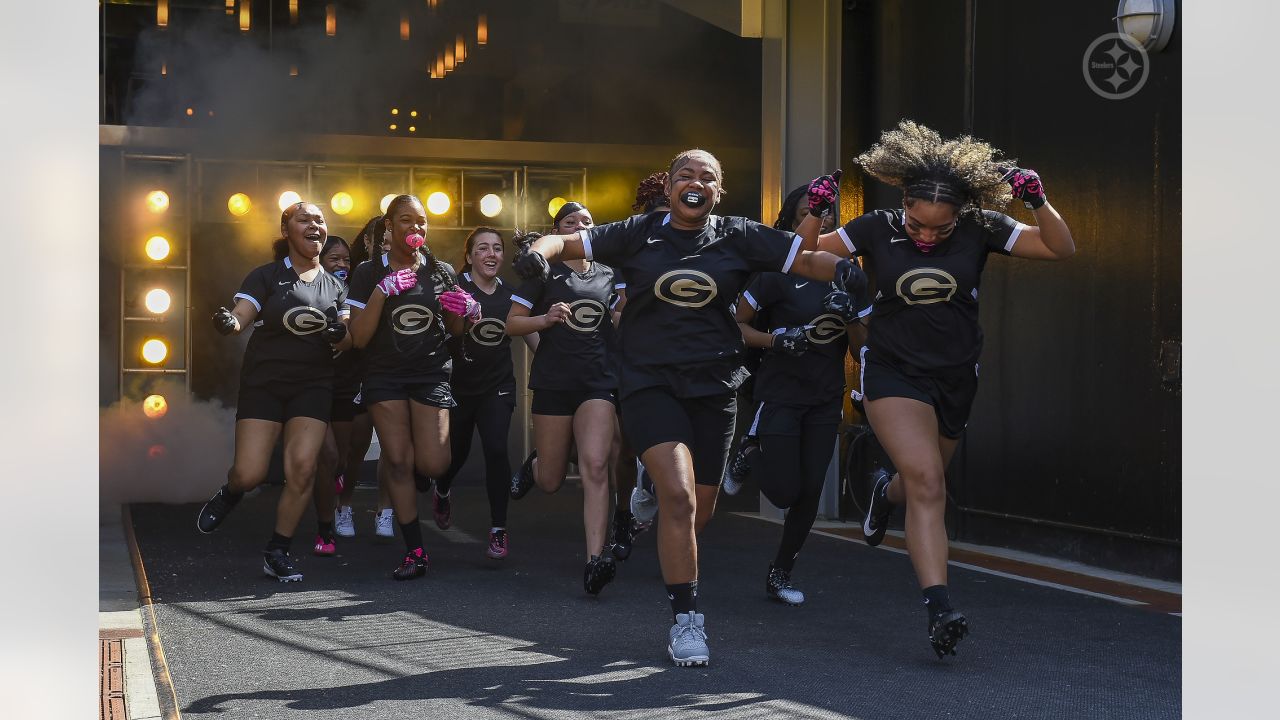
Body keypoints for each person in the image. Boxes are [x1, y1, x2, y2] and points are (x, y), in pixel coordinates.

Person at [512, 149, 865, 667]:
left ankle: (651, 498)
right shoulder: (639, 232)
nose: (695, 183)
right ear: (671, 186)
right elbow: (563, 240)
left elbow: (804, 256)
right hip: (649, 383)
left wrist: (847, 274)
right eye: (685, 175)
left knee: (697, 512)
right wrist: (538, 254)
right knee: (679, 499)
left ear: (718, 192)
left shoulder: (738, 234)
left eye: (707, 178)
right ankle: (686, 620)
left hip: (715, 386)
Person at [797, 120, 1075, 658]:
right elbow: (803, 259)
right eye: (916, 226)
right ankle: (940, 608)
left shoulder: (983, 226)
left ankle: (883, 490)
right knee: (928, 482)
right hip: (892, 370)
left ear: (959, 218)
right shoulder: (876, 227)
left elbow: (1059, 248)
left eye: (939, 231)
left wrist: (1038, 202)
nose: (925, 237)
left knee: (921, 481)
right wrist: (815, 214)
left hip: (955, 374)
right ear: (903, 203)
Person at [724, 184, 870, 607]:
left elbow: (863, 351)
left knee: (809, 493)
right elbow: (736, 326)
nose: (821, 218)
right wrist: (776, 341)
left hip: (825, 396)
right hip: (779, 391)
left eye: (827, 213)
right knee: (785, 492)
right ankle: (749, 452)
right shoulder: (775, 273)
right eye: (810, 211)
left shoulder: (850, 272)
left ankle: (780, 573)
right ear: (792, 220)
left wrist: (852, 321)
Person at [196, 202, 351, 583]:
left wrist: (340, 336)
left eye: (319, 220)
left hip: (313, 385)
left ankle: (277, 550)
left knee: (302, 468)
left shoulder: (336, 287)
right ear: (287, 231)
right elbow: (241, 315)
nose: (314, 225)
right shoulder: (265, 276)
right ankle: (232, 491)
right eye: (304, 220)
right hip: (264, 383)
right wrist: (229, 322)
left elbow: (348, 336)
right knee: (250, 474)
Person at [346, 194, 482, 580]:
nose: (416, 228)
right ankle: (415, 551)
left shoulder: (440, 272)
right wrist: (381, 292)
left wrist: (465, 313)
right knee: (400, 462)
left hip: (430, 373)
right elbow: (357, 338)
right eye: (407, 220)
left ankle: (434, 486)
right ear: (389, 227)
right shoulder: (367, 273)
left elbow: (454, 332)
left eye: (422, 222)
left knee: (435, 463)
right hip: (384, 376)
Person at [507, 202, 622, 595]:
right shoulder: (545, 272)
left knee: (595, 465)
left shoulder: (610, 274)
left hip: (598, 383)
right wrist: (545, 319)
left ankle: (595, 560)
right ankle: (537, 462)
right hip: (554, 383)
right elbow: (512, 323)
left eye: (586, 222)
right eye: (569, 223)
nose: (578, 227)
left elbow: (623, 317)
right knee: (552, 480)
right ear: (556, 232)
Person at [431, 227, 539, 560]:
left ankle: (498, 529)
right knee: (457, 454)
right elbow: (440, 334)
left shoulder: (512, 295)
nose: (491, 255)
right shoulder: (455, 288)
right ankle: (442, 489)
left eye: (496, 249)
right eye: (482, 249)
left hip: (498, 385)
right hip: (459, 386)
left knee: (495, 448)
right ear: (468, 257)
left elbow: (530, 334)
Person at [610, 172, 671, 559]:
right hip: (636, 363)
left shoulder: (707, 251)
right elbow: (617, 316)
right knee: (627, 447)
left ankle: (659, 502)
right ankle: (621, 516)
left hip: (685, 365)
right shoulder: (632, 253)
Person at [334, 216, 392, 541]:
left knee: (392, 446)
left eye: (390, 238)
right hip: (356, 368)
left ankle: (386, 511)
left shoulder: (411, 270)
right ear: (367, 242)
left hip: (390, 369)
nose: (385, 243)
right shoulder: (359, 273)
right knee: (355, 447)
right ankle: (344, 505)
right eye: (379, 238)